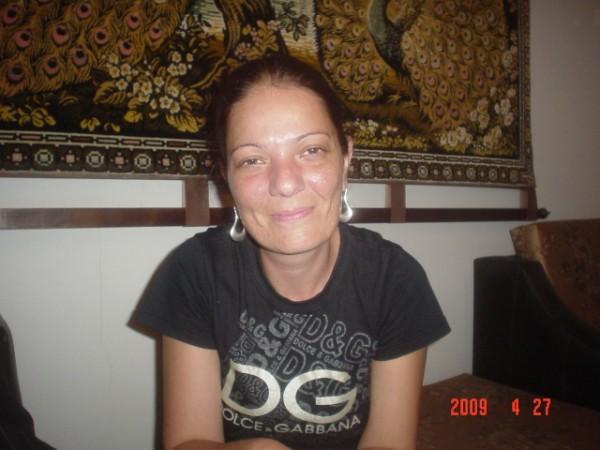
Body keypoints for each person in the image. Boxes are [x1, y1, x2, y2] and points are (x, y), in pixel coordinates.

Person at [135, 55, 450, 450]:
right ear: (226, 177)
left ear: (346, 158)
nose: (284, 183)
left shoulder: (395, 279)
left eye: (311, 150)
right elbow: (188, 442)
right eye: (252, 160)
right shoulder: (194, 271)